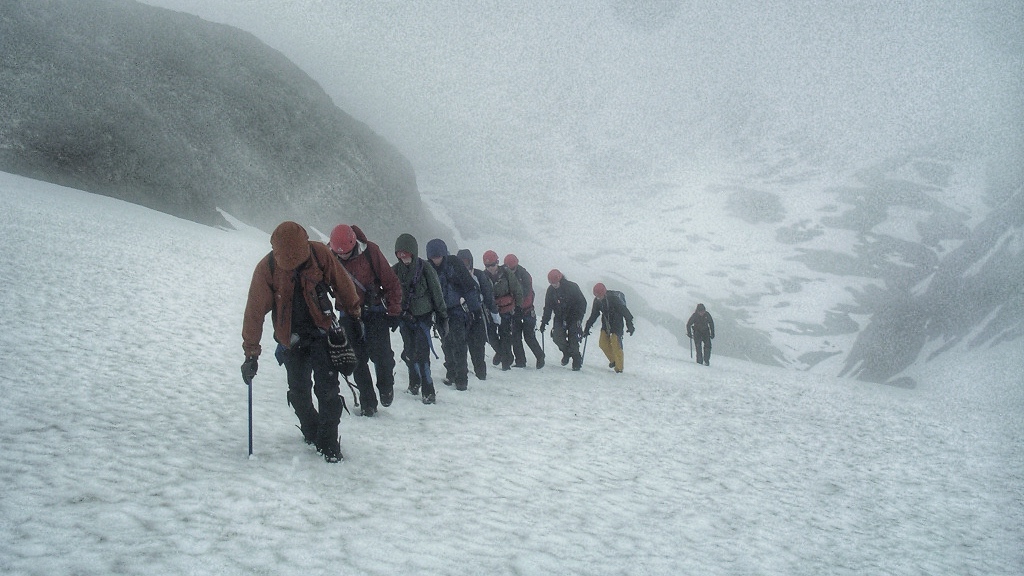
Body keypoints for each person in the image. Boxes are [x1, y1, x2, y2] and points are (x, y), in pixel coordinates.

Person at [241, 221, 361, 463]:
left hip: (321, 332)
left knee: (327, 392)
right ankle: (312, 431)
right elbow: (254, 311)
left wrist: (354, 313)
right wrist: (251, 353)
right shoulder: (267, 268)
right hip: (291, 340)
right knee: (298, 394)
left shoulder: (319, 254)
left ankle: (328, 444)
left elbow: (342, 284)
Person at [329, 224, 403, 417]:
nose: (343, 257)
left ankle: (386, 386)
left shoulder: (371, 251)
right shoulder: (329, 257)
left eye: (346, 253)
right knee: (357, 360)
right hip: (347, 314)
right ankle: (367, 402)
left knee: (383, 356)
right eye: (340, 254)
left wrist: (394, 310)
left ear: (354, 244)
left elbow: (391, 282)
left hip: (375, 310)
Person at [392, 233, 447, 404]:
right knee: (409, 351)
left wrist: (442, 316)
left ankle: (428, 390)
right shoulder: (394, 270)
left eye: (406, 253)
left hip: (423, 319)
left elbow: (437, 292)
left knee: (422, 354)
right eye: (400, 254)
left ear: (413, 252)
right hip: (404, 319)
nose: (403, 257)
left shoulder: (425, 268)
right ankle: (414, 383)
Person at [427, 239, 481, 391]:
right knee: (446, 344)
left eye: (438, 256)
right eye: (433, 257)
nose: (436, 259)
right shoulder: (427, 268)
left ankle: (461, 379)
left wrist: (475, 310)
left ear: (444, 254)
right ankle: (451, 373)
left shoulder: (454, 265)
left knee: (459, 344)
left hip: (456, 310)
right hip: (439, 313)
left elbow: (469, 288)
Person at [458, 249, 500, 381]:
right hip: (460, 316)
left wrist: (494, 313)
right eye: (461, 262)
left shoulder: (479, 275)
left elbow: (488, 295)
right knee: (461, 346)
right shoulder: (454, 275)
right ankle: (461, 374)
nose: (464, 265)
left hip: (478, 315)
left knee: (478, 346)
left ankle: (481, 375)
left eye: (466, 262)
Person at [539, 269, 588, 371]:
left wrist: (579, 317)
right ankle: (566, 352)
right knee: (557, 337)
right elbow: (548, 307)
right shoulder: (551, 291)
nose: (554, 285)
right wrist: (544, 321)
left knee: (573, 339)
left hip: (573, 317)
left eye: (555, 283)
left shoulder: (572, 287)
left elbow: (582, 303)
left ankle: (576, 359)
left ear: (560, 279)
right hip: (560, 318)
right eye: (552, 283)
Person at [482, 250, 522, 371]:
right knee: (490, 335)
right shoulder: (482, 276)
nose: (491, 268)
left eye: (493, 265)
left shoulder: (506, 272)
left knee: (505, 335)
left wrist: (519, 308)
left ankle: (506, 363)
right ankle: (504, 354)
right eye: (488, 266)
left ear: (497, 262)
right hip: (491, 311)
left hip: (506, 309)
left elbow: (517, 289)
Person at [504, 253, 546, 369]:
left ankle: (540, 356)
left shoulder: (525, 275)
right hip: (516, 310)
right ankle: (520, 361)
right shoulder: (505, 274)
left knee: (529, 336)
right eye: (508, 268)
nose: (510, 270)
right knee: (515, 336)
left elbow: (525, 292)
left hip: (526, 310)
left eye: (512, 268)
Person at [583, 283, 635, 373]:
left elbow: (625, 312)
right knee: (602, 343)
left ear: (604, 293)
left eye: (599, 295)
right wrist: (587, 327)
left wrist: (630, 324)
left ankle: (619, 368)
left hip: (617, 325)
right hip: (606, 325)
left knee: (616, 344)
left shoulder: (614, 299)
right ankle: (613, 360)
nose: (598, 297)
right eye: (596, 296)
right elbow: (594, 315)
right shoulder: (597, 301)